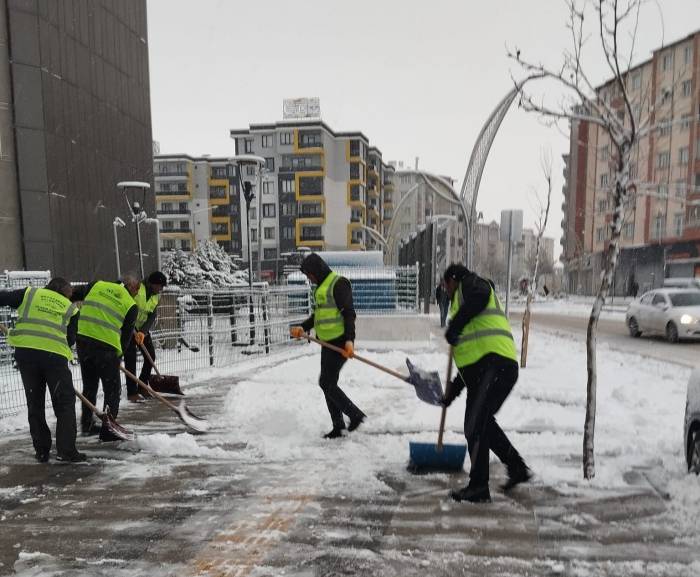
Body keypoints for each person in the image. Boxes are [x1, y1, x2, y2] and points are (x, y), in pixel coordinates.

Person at [441, 264, 531, 503]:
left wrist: (455, 325)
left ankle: (479, 486)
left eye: (445, 285)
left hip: (495, 365)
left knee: (475, 424)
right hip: (488, 368)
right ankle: (517, 467)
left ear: (453, 279)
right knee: (481, 423)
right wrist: (451, 393)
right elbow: (470, 364)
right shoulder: (465, 305)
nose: (445, 291)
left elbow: (481, 295)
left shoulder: (472, 284)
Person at [1, 278, 86, 462]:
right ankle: (66, 450)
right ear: (65, 293)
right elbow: (70, 339)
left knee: (35, 403)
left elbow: (2, 297)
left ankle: (41, 450)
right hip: (54, 358)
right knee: (64, 403)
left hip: (27, 355)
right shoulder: (71, 308)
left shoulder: (29, 294)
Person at [290, 253, 366, 439]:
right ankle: (338, 426)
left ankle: (355, 415)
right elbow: (319, 316)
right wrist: (303, 327)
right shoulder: (321, 288)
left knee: (326, 382)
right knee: (327, 383)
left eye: (309, 274)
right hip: (326, 343)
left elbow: (349, 314)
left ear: (317, 270)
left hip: (340, 342)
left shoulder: (339, 284)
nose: (309, 278)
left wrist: (350, 340)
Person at [73, 274, 139, 441]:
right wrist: (119, 355)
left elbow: (72, 294)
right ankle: (108, 429)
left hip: (83, 342)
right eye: (136, 290)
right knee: (112, 390)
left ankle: (87, 425)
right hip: (107, 348)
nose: (137, 294)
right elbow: (126, 336)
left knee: (89, 386)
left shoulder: (96, 285)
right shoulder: (131, 304)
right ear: (130, 287)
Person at [123, 271, 167, 402]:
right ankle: (132, 392)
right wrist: (130, 326)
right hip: (128, 329)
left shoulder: (156, 296)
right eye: (160, 286)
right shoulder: (137, 287)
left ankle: (142, 385)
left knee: (151, 356)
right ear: (153, 284)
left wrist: (143, 331)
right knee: (130, 360)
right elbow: (125, 305)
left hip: (142, 330)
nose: (161, 289)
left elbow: (152, 315)